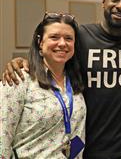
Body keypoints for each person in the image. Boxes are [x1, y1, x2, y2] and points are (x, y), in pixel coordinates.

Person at [2, 0, 121, 159]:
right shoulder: (83, 37)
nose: (120, 6)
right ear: (103, 2)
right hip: (91, 150)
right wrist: (24, 62)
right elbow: (55, 56)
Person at [0, 12, 86, 158]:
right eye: (54, 37)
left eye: (68, 38)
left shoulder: (75, 81)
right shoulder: (19, 79)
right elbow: (2, 137)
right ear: (40, 42)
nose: (62, 43)